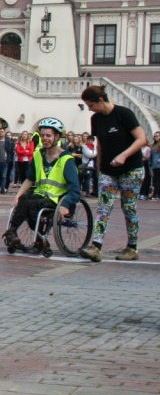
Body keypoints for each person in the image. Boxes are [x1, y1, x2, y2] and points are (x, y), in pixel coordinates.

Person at [79, 85, 148, 262]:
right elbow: (100, 143)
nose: (90, 109)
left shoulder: (124, 114)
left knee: (129, 207)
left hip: (131, 169)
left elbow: (142, 139)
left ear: (101, 100)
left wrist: (124, 155)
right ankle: (96, 246)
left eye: (92, 105)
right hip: (109, 170)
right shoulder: (96, 119)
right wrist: (100, 166)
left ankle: (132, 247)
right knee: (103, 208)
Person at [2, 118, 81, 255]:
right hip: (41, 194)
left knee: (33, 205)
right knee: (24, 200)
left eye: (49, 135)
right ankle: (12, 232)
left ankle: (39, 238)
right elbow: (29, 179)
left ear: (57, 137)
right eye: (43, 135)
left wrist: (66, 205)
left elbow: (75, 189)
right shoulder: (38, 155)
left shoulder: (66, 159)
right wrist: (18, 196)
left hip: (57, 198)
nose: (45, 138)